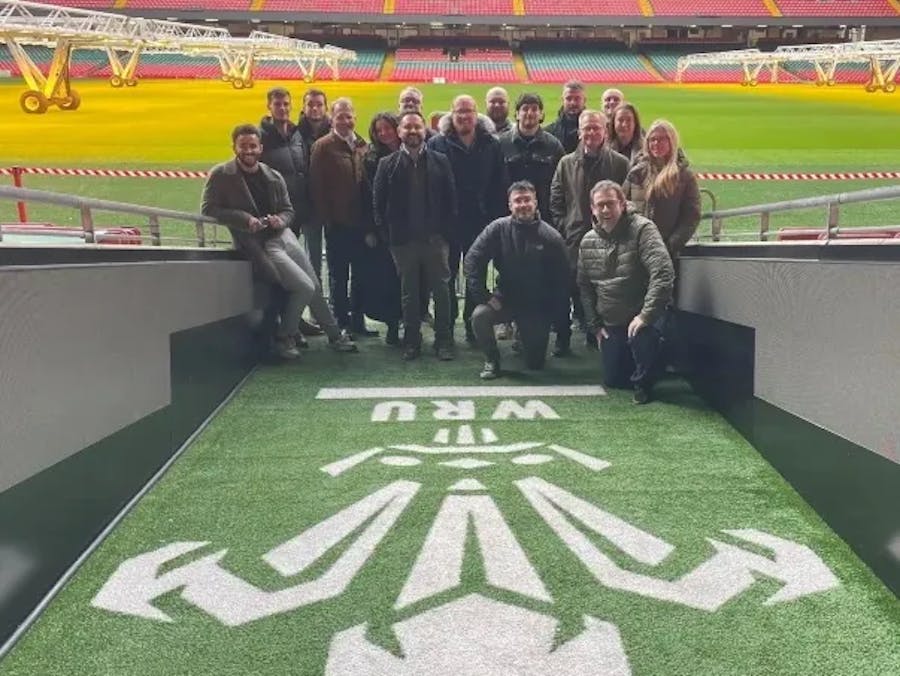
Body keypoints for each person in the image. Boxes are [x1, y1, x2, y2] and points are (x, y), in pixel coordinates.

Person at [201, 123, 357, 359]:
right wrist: (245, 219)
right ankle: (285, 336)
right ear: (234, 147)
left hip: (283, 236)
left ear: (260, 148)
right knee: (304, 287)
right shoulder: (221, 175)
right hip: (259, 244)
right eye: (243, 146)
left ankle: (334, 335)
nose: (248, 151)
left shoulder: (272, 175)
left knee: (314, 286)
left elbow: (288, 210)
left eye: (253, 146)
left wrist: (280, 220)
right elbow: (208, 209)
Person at [577, 180, 673, 404]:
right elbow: (584, 287)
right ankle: (641, 364)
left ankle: (648, 375)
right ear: (592, 209)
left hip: (643, 316)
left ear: (622, 204)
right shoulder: (587, 241)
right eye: (600, 205)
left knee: (643, 340)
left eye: (610, 204)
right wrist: (595, 326)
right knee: (614, 379)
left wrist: (645, 315)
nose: (605, 210)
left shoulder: (643, 229)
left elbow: (663, 272)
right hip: (612, 321)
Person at [373, 111, 458, 361]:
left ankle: (444, 340)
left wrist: (445, 234)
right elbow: (378, 204)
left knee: (441, 291)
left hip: (435, 241)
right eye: (407, 127)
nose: (412, 131)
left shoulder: (441, 161)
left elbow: (451, 200)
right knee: (409, 293)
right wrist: (389, 238)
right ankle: (412, 342)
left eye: (417, 127)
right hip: (403, 242)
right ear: (399, 132)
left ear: (424, 131)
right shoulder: (387, 164)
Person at [465, 181, 570, 380]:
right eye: (518, 201)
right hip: (505, 298)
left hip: (535, 305)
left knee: (535, 364)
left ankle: (524, 337)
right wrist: (485, 297)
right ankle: (492, 360)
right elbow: (472, 260)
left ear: (535, 202)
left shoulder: (551, 237)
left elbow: (563, 279)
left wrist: (550, 313)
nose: (523, 205)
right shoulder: (497, 229)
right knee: (479, 316)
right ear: (510, 205)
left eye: (527, 200)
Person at [428, 94, 509, 345]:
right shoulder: (437, 144)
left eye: (469, 111)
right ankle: (446, 329)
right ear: (451, 115)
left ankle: (474, 327)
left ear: (477, 114)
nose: (464, 116)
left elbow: (500, 184)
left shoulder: (491, 144)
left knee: (476, 275)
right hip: (448, 224)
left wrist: (496, 221)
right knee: (446, 277)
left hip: (481, 223)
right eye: (459, 111)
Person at [549, 109, 630, 352]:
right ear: (579, 132)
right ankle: (563, 337)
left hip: (609, 238)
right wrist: (565, 226)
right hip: (574, 238)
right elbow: (556, 200)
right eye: (587, 128)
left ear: (605, 131)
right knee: (567, 287)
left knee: (601, 288)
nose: (591, 132)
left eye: (596, 127)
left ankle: (597, 334)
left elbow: (627, 201)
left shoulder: (620, 163)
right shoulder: (566, 163)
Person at [310, 97, 378, 339]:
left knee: (360, 275)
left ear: (355, 118)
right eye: (340, 116)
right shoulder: (323, 146)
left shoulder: (362, 144)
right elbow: (317, 187)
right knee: (339, 276)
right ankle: (340, 321)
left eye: (349, 116)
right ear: (332, 118)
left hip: (360, 223)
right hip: (337, 223)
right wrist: (327, 219)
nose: (345, 121)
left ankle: (357, 321)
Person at [258, 87, 323, 340]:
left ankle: (296, 320)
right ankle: (286, 326)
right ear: (269, 107)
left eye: (286, 104)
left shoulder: (296, 134)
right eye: (278, 104)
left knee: (303, 268)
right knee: (284, 274)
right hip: (277, 217)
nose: (283, 108)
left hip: (299, 211)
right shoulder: (262, 136)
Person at [623, 119, 701, 260]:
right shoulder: (637, 172)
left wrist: (669, 246)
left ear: (672, 141)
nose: (656, 143)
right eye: (652, 140)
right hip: (635, 251)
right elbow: (622, 205)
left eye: (661, 139)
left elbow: (691, 217)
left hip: (666, 254)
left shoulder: (684, 177)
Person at [361, 112, 403, 346]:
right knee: (388, 279)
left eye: (388, 128)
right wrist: (370, 229)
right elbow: (367, 198)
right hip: (383, 228)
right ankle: (392, 324)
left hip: (408, 227)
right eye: (379, 130)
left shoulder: (411, 151)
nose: (385, 133)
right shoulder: (371, 159)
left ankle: (410, 322)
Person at [296, 88, 331, 282]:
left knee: (336, 257)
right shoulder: (294, 134)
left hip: (333, 206)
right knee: (312, 257)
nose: (315, 109)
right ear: (303, 107)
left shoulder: (337, 131)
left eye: (319, 105)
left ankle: (335, 298)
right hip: (308, 205)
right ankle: (315, 296)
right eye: (310, 104)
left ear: (326, 108)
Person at [545, 80, 587, 154]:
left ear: (584, 100)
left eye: (577, 98)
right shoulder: (549, 132)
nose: (573, 103)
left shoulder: (595, 131)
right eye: (568, 98)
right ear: (562, 100)